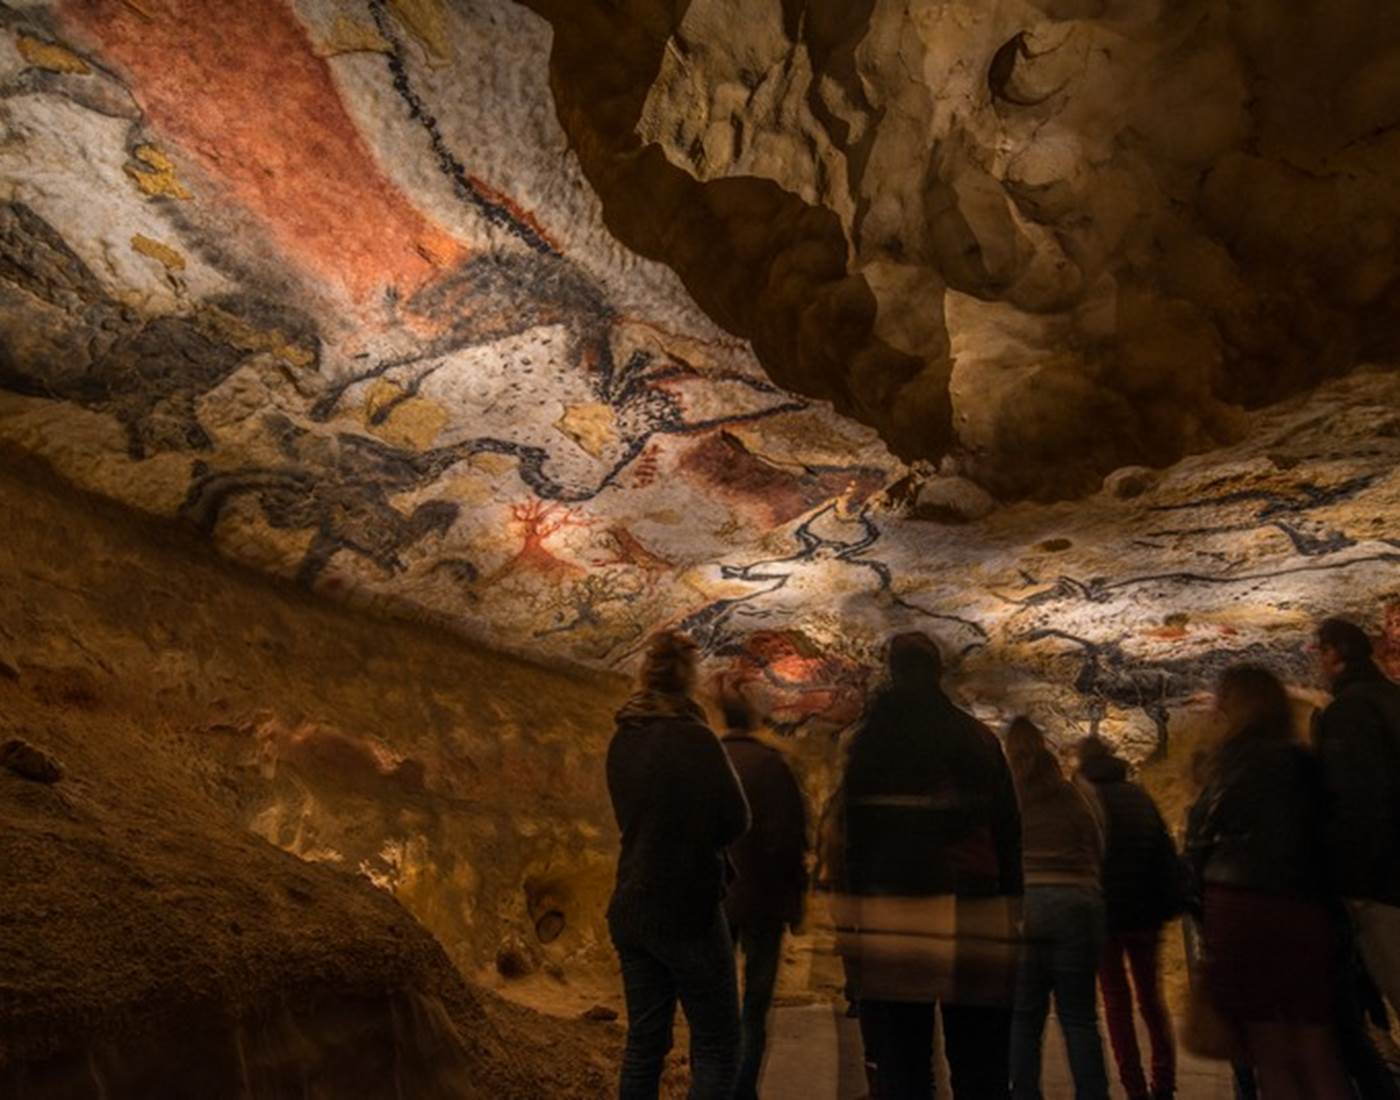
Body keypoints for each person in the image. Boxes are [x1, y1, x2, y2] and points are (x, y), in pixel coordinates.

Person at [838, 631, 1023, 1099]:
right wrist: (1012, 905)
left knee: (903, 1062)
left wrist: (854, 921)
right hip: (971, 903)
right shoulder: (978, 739)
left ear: (892, 672)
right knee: (981, 1061)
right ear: (939, 672)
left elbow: (855, 840)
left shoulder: (870, 743)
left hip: (897, 908)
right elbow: (1007, 830)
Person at [1185, 665, 1350, 1100]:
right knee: (1317, 1047)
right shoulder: (1304, 763)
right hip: (1302, 906)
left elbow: (1200, 844)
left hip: (1238, 909)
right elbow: (1332, 834)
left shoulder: (1225, 765)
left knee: (1270, 1052)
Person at [605, 630, 751, 1100]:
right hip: (687, 906)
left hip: (632, 902)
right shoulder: (696, 738)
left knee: (644, 1045)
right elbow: (737, 818)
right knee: (718, 1044)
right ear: (688, 678)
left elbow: (630, 817)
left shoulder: (623, 739)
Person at [1006, 718, 1110, 1100]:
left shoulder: (1010, 797)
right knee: (1079, 1017)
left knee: (1024, 1018)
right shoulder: (1073, 795)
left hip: (1028, 905)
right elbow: (1098, 844)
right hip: (1078, 904)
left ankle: (1025, 1093)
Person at [1075, 736, 1181, 1100]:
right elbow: (1163, 852)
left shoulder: (1083, 801)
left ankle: (1134, 1087)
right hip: (1144, 913)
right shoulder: (1138, 796)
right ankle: (1163, 1082)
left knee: (1116, 1003)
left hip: (1104, 915)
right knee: (1151, 998)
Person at [718, 683, 809, 1100]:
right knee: (754, 1006)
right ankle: (742, 1090)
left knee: (715, 1004)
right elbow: (789, 840)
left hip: (717, 898)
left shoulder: (712, 760)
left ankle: (712, 1086)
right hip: (764, 900)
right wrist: (795, 900)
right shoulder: (774, 766)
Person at [1311, 617, 1400, 1017]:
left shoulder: (1349, 712)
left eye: (1320, 651)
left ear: (1335, 653)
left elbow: (1355, 799)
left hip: (1382, 882)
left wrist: (1351, 884)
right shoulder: (1392, 698)